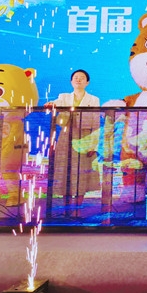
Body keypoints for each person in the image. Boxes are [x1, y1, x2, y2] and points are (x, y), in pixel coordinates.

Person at [45, 69, 101, 207]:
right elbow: (56, 103)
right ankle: (67, 208)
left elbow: (96, 123)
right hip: (66, 136)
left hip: (85, 137)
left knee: (82, 173)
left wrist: (93, 145)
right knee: (65, 171)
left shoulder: (94, 99)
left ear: (87, 82)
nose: (78, 79)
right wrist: (51, 104)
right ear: (71, 81)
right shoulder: (64, 97)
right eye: (76, 77)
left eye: (82, 77)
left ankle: (77, 209)